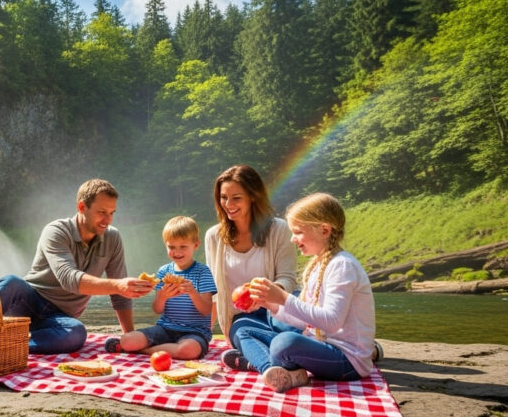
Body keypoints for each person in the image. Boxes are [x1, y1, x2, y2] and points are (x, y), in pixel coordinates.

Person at [0, 179, 155, 354]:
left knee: (76, 333)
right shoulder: (56, 231)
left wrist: (129, 337)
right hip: (29, 301)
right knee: (11, 283)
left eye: (112, 213)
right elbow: (69, 279)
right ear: (82, 207)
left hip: (59, 318)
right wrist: (118, 285)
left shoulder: (113, 238)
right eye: (101, 212)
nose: (108, 220)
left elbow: (119, 296)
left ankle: (7, 345)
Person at [222, 193, 377, 393]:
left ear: (324, 230)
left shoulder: (342, 265)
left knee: (284, 342)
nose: (293, 239)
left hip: (346, 360)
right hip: (320, 344)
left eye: (297, 232)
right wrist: (269, 303)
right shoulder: (318, 264)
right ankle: (274, 371)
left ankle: (258, 364)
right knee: (243, 329)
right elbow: (307, 323)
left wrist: (283, 297)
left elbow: (331, 322)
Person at [204, 165, 298, 354]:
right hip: (242, 318)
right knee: (241, 332)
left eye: (236, 198)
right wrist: (204, 330)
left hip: (277, 310)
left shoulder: (279, 229)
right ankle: (276, 362)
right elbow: (212, 290)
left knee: (289, 326)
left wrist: (264, 294)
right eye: (223, 197)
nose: (228, 204)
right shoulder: (213, 236)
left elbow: (288, 279)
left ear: (253, 196)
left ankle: (260, 355)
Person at [105, 216, 216, 360]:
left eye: (183, 246)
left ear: (196, 245)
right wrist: (162, 296)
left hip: (195, 333)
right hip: (165, 329)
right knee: (127, 340)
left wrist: (193, 293)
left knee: (188, 350)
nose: (177, 252)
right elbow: (157, 309)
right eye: (171, 247)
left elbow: (207, 310)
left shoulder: (203, 272)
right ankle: (159, 349)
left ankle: (143, 351)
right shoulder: (164, 272)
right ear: (166, 245)